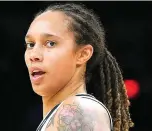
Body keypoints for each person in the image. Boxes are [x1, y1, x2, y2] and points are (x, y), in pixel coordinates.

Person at [24, 2, 134, 131]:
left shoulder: (78, 110)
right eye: (31, 44)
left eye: (50, 43)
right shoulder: (65, 112)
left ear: (83, 54)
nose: (34, 55)